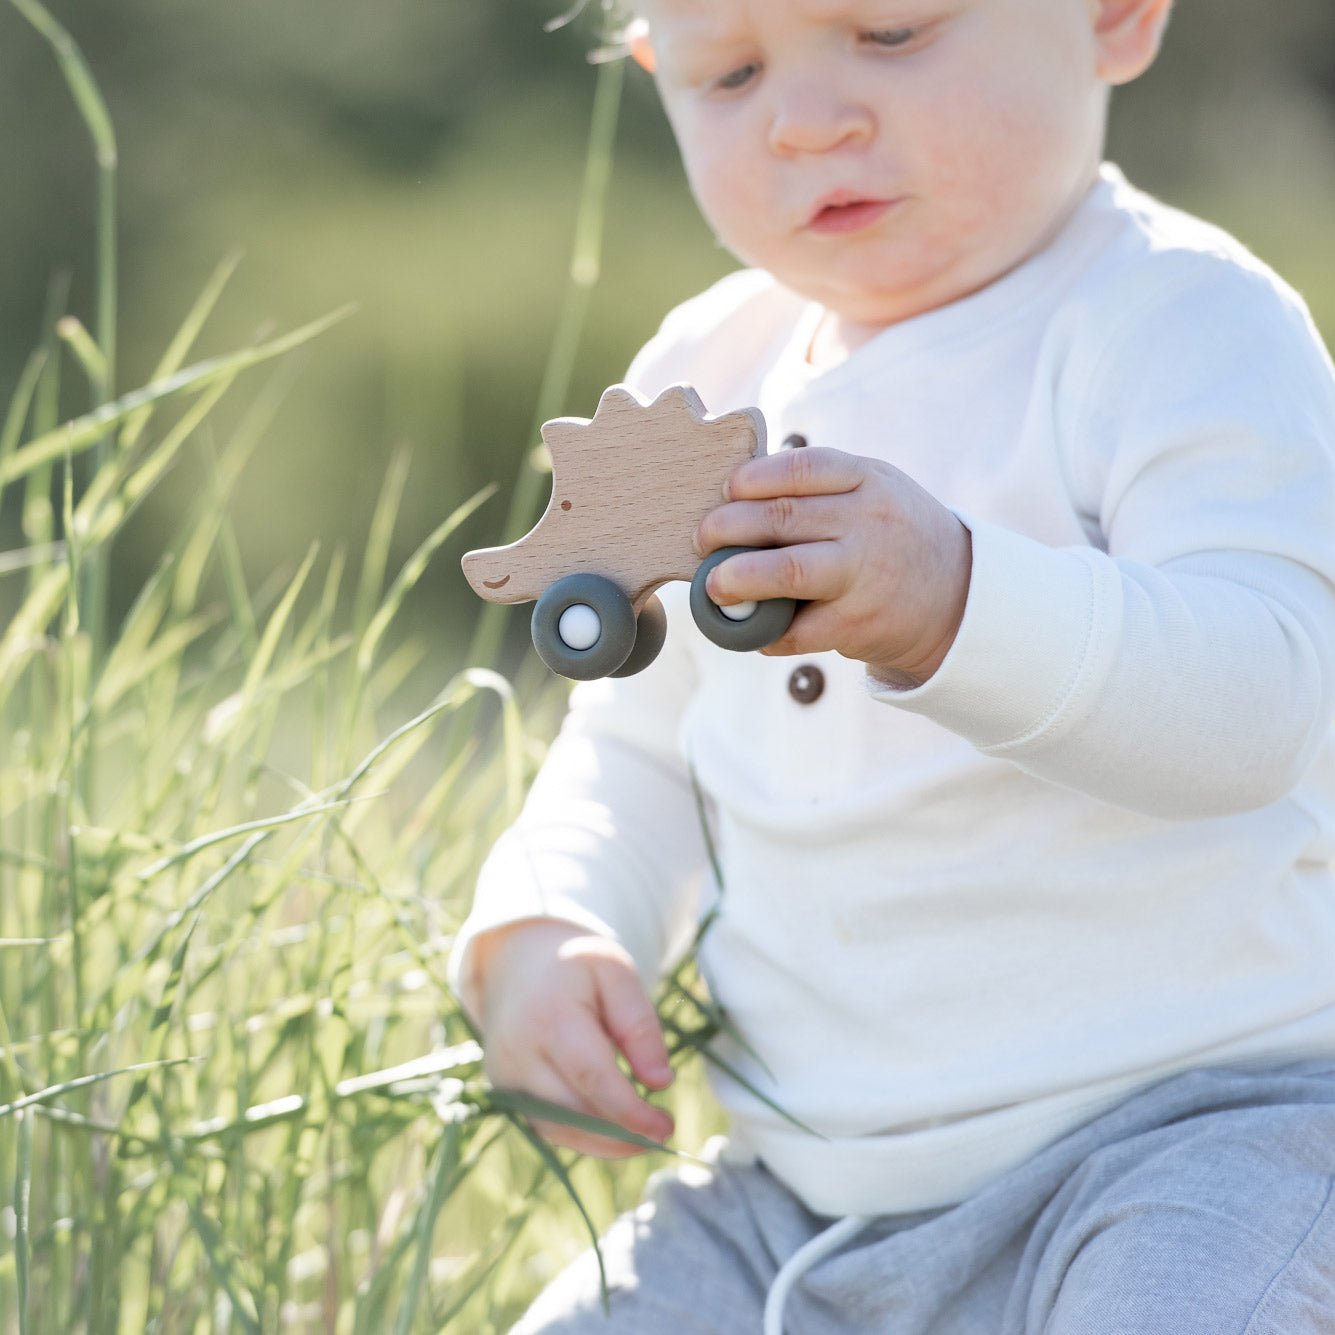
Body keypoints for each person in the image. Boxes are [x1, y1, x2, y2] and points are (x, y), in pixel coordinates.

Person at [450, 0, 1335, 1328]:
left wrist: (954, 604)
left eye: (893, 32)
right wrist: (542, 927)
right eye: (731, 73)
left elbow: (1257, 703)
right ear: (656, 73)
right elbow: (631, 752)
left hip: (1197, 1137)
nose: (808, 120)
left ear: (1112, 16)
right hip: (798, 1203)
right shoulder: (709, 370)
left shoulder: (1179, 324)